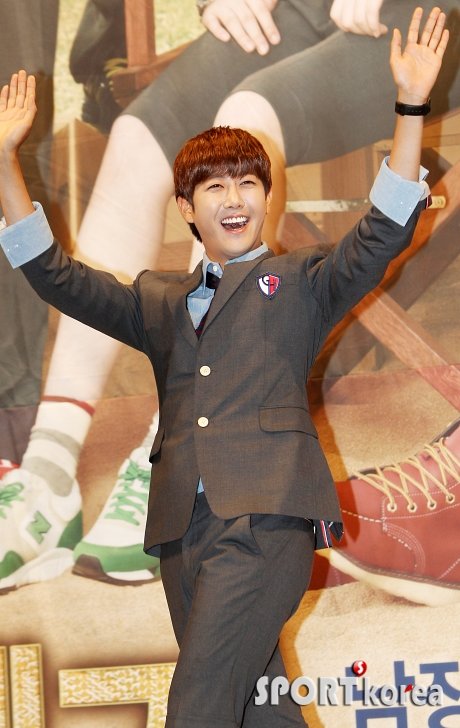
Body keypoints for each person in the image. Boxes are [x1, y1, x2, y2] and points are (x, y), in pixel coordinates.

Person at [0, 7, 449, 725]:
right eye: (214, 187)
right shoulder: (158, 300)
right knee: (260, 707)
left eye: (248, 184)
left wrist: (410, 106)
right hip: (183, 532)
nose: (234, 198)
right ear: (187, 208)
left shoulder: (302, 283)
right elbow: (56, 276)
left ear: (267, 198)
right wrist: (5, 162)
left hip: (265, 523)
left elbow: (382, 231)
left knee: (199, 706)